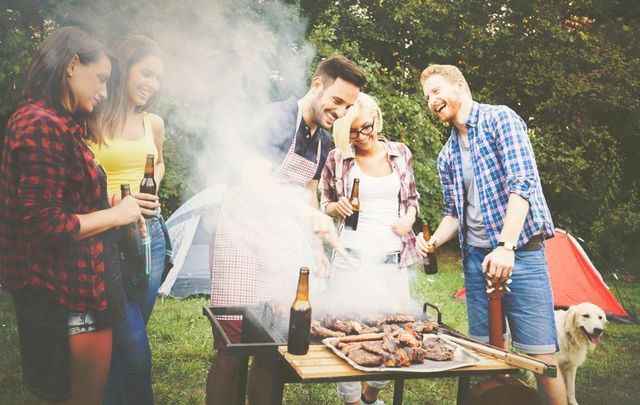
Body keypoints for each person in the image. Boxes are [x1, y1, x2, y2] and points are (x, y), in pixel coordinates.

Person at [207, 55, 367, 405]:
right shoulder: (277, 117)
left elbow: (308, 193)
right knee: (233, 350)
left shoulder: (323, 140)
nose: (341, 111)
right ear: (317, 85)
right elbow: (254, 177)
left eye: (348, 106)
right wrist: (304, 214)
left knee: (271, 349)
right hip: (240, 242)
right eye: (337, 101)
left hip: (277, 246)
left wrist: (314, 247)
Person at [0, 27, 144, 404]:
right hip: (67, 295)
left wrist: (109, 202)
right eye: (100, 79)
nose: (103, 92)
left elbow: (65, 200)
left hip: (76, 289)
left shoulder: (53, 121)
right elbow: (44, 225)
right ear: (71, 65)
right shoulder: (39, 125)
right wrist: (118, 216)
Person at [416, 64, 567, 404]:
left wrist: (505, 246)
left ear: (459, 85)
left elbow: (523, 185)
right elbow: (453, 213)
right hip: (476, 262)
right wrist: (433, 241)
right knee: (485, 355)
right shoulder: (447, 155)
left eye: (437, 91)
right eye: (427, 97)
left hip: (521, 253)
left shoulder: (501, 120)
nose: (431, 101)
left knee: (541, 358)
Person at [320, 92, 421, 405]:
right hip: (351, 259)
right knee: (349, 333)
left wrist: (408, 218)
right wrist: (337, 206)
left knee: (395, 333)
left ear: (377, 119)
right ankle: (351, 402)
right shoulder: (338, 158)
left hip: (392, 259)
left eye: (367, 127)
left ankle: (369, 396)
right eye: (353, 131)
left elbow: (412, 201)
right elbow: (323, 203)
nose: (362, 136)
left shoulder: (400, 153)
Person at [89, 34, 171, 404]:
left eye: (158, 79)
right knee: (133, 343)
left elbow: (159, 162)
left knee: (125, 339)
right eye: (147, 73)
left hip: (149, 237)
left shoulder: (153, 122)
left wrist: (147, 191)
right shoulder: (89, 119)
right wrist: (115, 202)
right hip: (106, 238)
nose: (152, 85)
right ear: (124, 68)